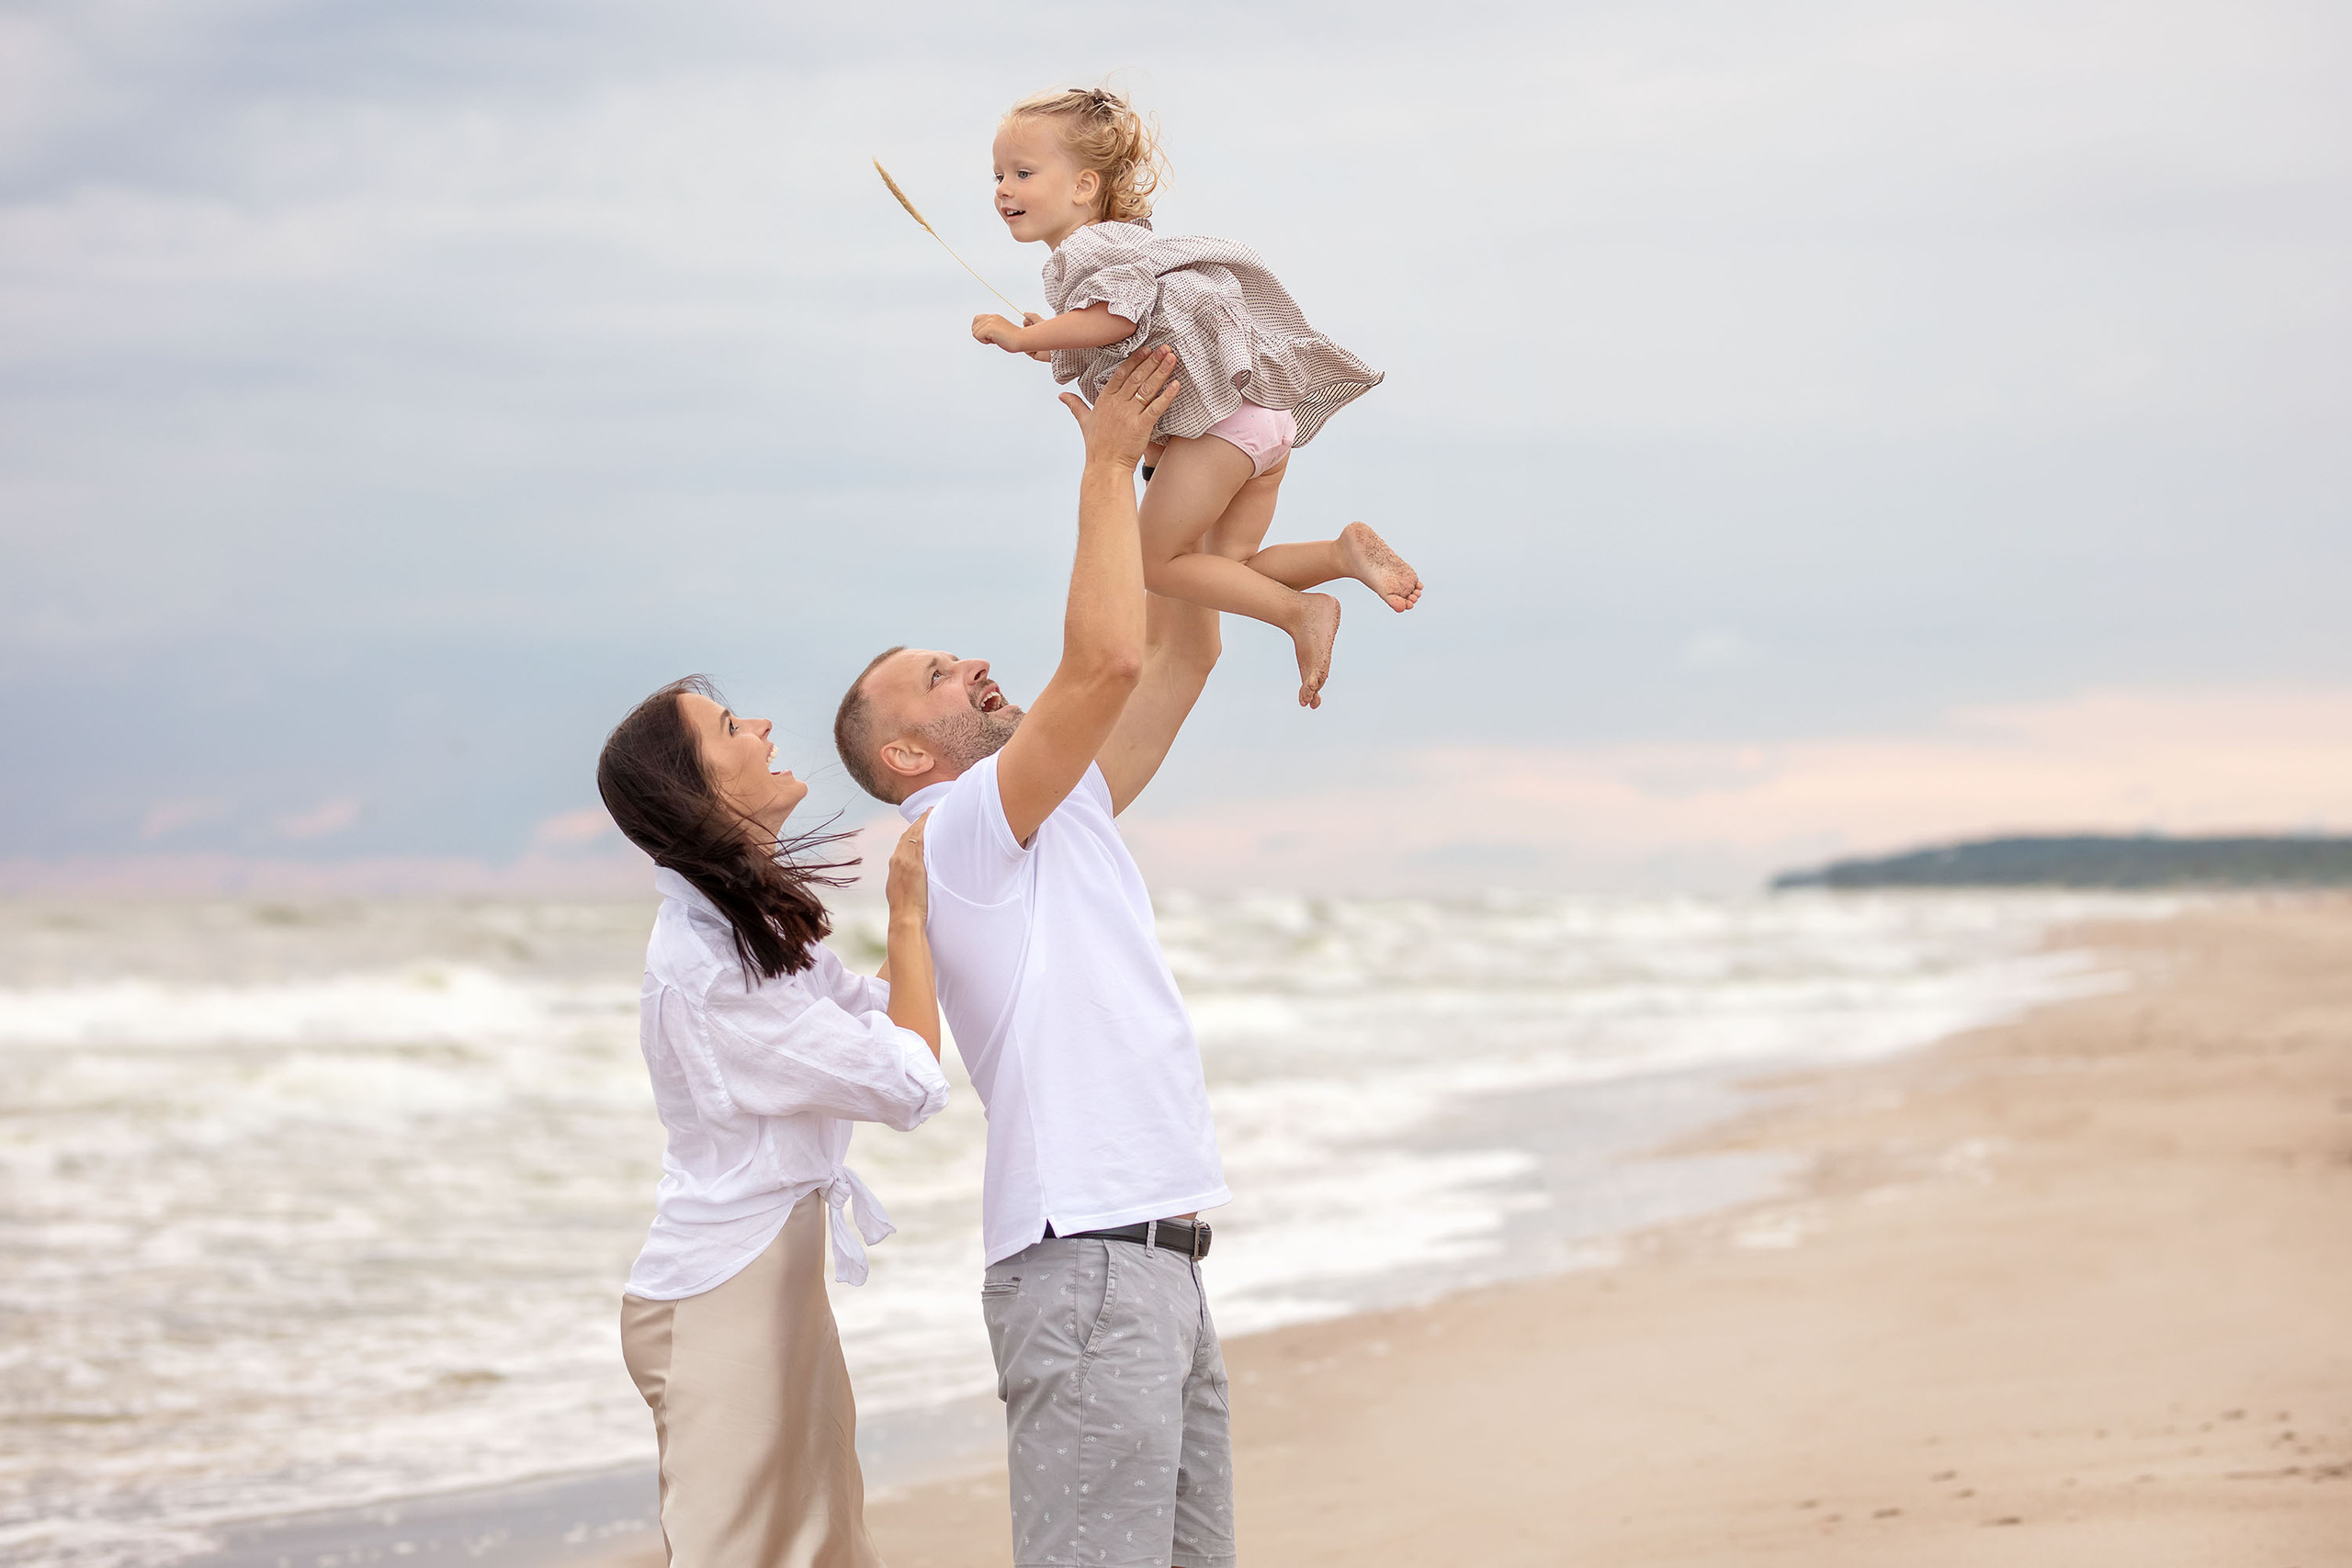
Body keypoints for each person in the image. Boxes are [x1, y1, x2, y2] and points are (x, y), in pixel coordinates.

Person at [833, 348, 1238, 1568]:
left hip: (1159, 1261)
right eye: (939, 677)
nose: (972, 664)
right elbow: (1105, 660)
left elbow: (1178, 658)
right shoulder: (958, 829)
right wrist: (1105, 463)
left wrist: (1181, 467)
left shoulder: (1067, 807)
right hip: (1086, 1263)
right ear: (911, 755)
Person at [596, 675, 947, 1568]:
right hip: (723, 1300)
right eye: (727, 727)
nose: (757, 725)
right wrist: (908, 911)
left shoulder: (742, 924)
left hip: (766, 1285)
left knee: (827, 1545)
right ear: (698, 788)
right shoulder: (713, 966)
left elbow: (872, 1010)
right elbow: (906, 1080)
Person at [970, 84, 1424, 710]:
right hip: (1261, 421)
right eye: (998, 174)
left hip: (1219, 429)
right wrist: (1051, 339)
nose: (1003, 188)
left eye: (1023, 172)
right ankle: (1338, 554)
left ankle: (1301, 612)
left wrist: (1025, 340)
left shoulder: (1088, 247)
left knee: (1154, 563)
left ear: (1082, 186)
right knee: (1227, 567)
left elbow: (1117, 320)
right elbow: (1116, 332)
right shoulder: (1127, 244)